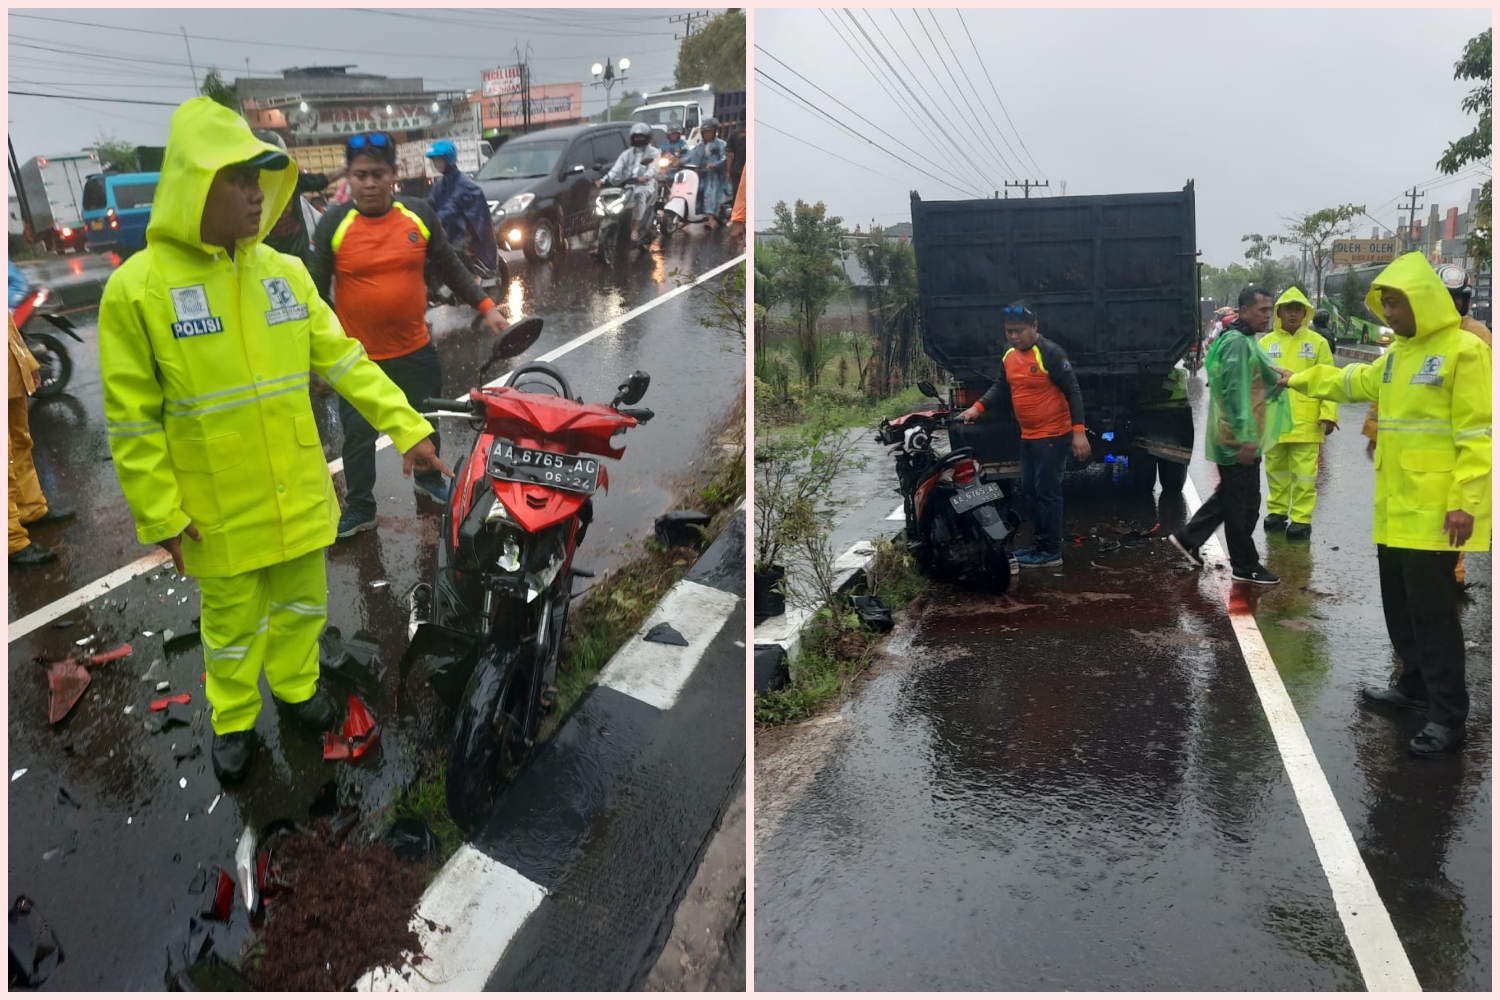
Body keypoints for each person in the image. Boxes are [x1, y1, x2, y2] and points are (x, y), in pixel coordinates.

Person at [99, 98, 449, 782]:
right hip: (218, 515)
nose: (256, 195)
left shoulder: (283, 275)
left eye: (261, 178)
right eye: (239, 180)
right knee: (229, 633)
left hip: (299, 497)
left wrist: (408, 429)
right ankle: (232, 721)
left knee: (301, 610)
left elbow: (346, 361)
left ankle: (295, 690)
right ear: (195, 185)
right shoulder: (136, 292)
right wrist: (161, 516)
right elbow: (132, 423)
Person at [1280, 252, 1490, 758]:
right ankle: (1413, 688)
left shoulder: (1465, 351)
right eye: (1386, 304)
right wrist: (1297, 380)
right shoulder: (1397, 355)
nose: (1388, 314)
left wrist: (1466, 503)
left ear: (1423, 300)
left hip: (1438, 514)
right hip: (1395, 511)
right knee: (1401, 609)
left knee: (1435, 617)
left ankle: (1448, 716)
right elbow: (1351, 383)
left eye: (1394, 303)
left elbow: (1478, 435)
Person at [307, 131, 506, 539]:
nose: (368, 183)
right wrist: (317, 355)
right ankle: (360, 506)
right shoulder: (334, 222)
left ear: (394, 175)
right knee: (358, 438)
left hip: (416, 350)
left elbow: (450, 266)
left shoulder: (418, 215)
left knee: (425, 420)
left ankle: (427, 478)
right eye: (360, 174)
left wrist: (487, 308)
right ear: (351, 176)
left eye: (378, 173)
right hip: (358, 362)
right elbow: (313, 291)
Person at [1361, 262, 1492, 588]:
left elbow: (1478, 426)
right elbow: (1378, 388)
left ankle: (1454, 578)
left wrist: (1465, 500)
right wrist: (1374, 429)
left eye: (1456, 299)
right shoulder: (1405, 345)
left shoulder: (1474, 342)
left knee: (1436, 591)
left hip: (1448, 486)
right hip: (1406, 500)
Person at [1168, 287, 1289, 585]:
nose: (1267, 316)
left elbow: (1256, 380)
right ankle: (1245, 565)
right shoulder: (1237, 343)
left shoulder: (1244, 340)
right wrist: (1246, 435)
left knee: (1233, 498)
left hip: (1242, 435)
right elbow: (1235, 393)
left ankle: (1188, 539)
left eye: (1270, 310)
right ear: (1244, 310)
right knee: (1242, 504)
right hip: (1237, 438)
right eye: (1262, 310)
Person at [957, 302, 1090, 568]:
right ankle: (1039, 544)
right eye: (1009, 331)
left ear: (1034, 327)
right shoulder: (1009, 356)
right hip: (1029, 436)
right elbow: (1000, 387)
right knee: (1028, 490)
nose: (1014, 336)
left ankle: (1050, 550)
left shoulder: (1050, 353)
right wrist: (976, 408)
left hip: (1054, 434)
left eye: (1019, 331)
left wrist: (1078, 432)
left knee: (1047, 492)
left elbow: (1073, 390)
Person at [1257, 287, 1338, 540]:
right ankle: (1278, 511)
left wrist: (1329, 413)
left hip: (1307, 421)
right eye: (1288, 308)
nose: (1293, 313)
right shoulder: (1264, 344)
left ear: (1305, 312)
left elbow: (1330, 381)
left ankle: (1301, 518)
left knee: (1304, 476)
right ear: (1279, 312)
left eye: (1297, 309)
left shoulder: (1318, 343)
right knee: (1275, 471)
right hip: (1274, 420)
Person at [9, 309, 75, 567]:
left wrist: (28, 363)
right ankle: (11, 541)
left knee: (21, 445)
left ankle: (30, 509)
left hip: (11, 377)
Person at [255, 129, 345, 266]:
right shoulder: (252, 187)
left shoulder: (291, 178)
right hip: (277, 260)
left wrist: (343, 170)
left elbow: (320, 180)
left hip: (294, 258)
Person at [424, 139, 499, 273]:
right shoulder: (441, 184)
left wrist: (438, 218)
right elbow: (429, 202)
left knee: (453, 253)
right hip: (447, 231)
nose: (436, 164)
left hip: (465, 232)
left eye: (439, 160)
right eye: (434, 161)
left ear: (448, 159)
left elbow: (453, 204)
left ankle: (471, 285)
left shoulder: (463, 184)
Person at [596, 122, 661, 245]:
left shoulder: (653, 152)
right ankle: (608, 229)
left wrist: (645, 177)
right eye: (636, 137)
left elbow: (653, 169)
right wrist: (604, 179)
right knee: (610, 198)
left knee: (639, 196)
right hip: (628, 185)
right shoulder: (627, 154)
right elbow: (616, 169)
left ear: (647, 137)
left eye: (641, 137)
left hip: (645, 186)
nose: (638, 139)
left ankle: (635, 229)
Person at [684, 117, 728, 225]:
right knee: (694, 190)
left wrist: (715, 164)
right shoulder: (699, 146)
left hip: (714, 175)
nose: (706, 134)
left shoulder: (721, 144)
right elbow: (690, 155)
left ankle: (711, 219)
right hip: (700, 173)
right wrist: (679, 161)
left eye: (709, 132)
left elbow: (724, 158)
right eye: (705, 132)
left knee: (710, 191)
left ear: (714, 132)